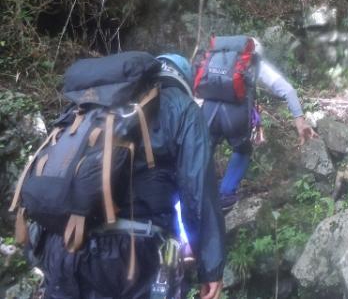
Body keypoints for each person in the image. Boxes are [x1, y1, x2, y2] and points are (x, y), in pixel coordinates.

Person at [32, 53, 225, 299]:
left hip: (64, 247)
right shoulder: (182, 107)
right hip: (134, 257)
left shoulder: (88, 106)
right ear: (184, 80)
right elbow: (198, 191)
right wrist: (209, 266)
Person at [200, 38, 317, 210]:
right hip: (234, 117)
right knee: (242, 150)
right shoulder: (254, 61)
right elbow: (288, 90)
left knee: (203, 149)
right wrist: (300, 121)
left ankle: (196, 190)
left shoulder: (217, 59)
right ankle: (225, 194)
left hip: (208, 111)